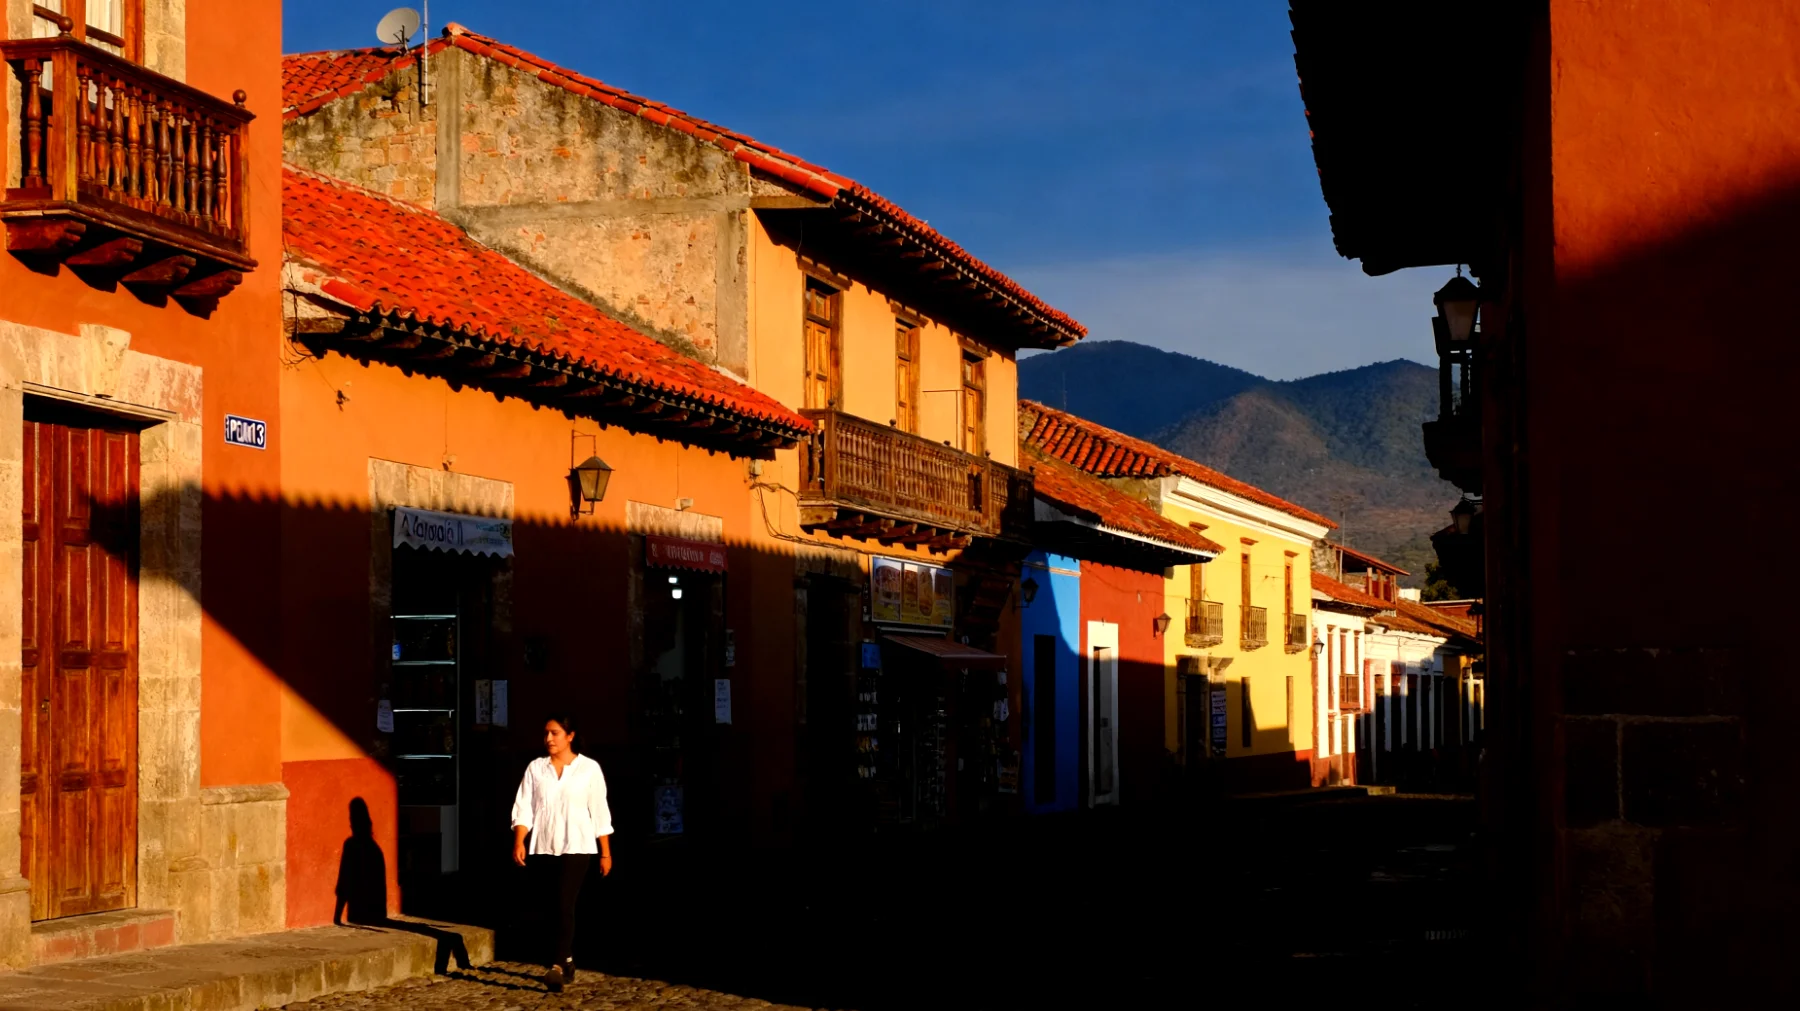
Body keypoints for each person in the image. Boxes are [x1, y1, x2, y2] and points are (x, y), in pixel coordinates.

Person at [511, 712, 614, 992]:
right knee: (549, 905)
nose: (548, 739)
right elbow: (524, 807)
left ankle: (556, 965)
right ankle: (567, 959)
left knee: (564, 902)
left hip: (577, 845)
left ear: (570, 736)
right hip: (544, 844)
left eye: (555, 733)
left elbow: (599, 810)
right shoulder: (536, 769)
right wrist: (520, 840)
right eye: (546, 733)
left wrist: (605, 851)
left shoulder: (589, 769)